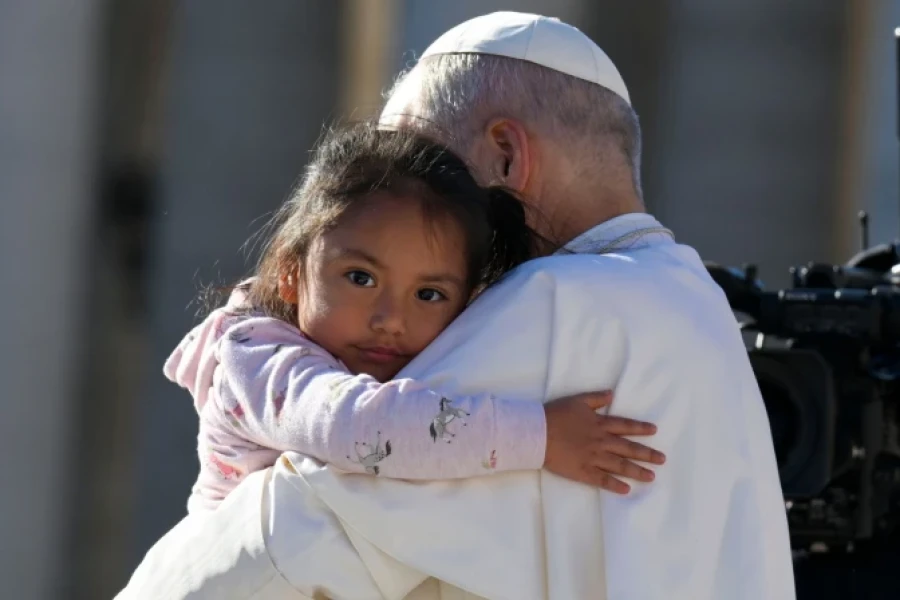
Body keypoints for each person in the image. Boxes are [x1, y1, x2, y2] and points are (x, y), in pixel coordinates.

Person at [117, 12, 795, 600]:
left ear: (504, 154)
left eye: (429, 170)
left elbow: (297, 540)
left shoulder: (560, 306)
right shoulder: (702, 312)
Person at [168, 123, 663, 513]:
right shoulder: (256, 358)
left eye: (428, 293)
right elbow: (358, 426)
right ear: (293, 275)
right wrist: (541, 435)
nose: (390, 319)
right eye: (360, 278)